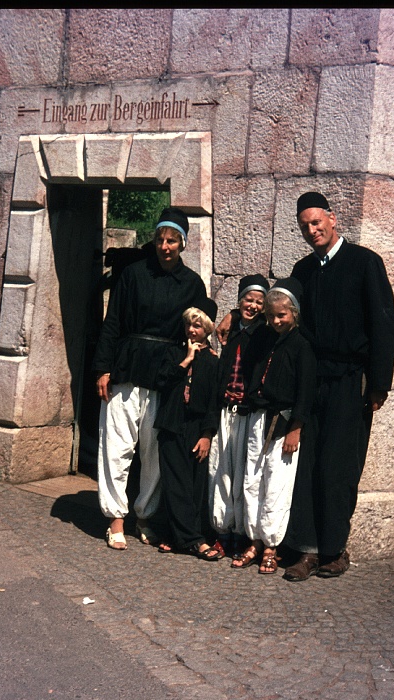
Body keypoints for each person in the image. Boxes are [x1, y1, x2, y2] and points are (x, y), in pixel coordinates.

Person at [281, 191, 394, 579]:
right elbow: (281, 309)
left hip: (351, 382)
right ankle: (307, 551)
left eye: (316, 222)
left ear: (332, 219)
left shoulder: (365, 263)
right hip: (314, 381)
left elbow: (384, 324)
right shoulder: (303, 270)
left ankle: (335, 549)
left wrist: (378, 384)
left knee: (339, 467)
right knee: (308, 465)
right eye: (305, 226)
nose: (312, 230)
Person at [93, 207, 208, 550]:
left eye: (172, 240)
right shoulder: (132, 275)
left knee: (154, 451)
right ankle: (115, 519)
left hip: (166, 374)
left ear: (183, 243)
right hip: (127, 368)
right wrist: (103, 368)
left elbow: (200, 327)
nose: (165, 246)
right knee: (117, 446)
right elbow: (112, 321)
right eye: (160, 239)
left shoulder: (192, 284)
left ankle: (144, 515)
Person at [231, 278, 317, 574]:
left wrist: (296, 426)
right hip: (258, 417)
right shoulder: (263, 337)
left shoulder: (302, 346)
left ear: (294, 313)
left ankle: (271, 544)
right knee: (252, 480)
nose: (276, 320)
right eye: (271, 315)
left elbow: (306, 390)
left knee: (276, 484)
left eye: (282, 315)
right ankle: (253, 540)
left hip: (283, 424)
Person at [154, 300, 223, 560]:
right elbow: (162, 381)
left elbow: (214, 402)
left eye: (197, 326)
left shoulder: (213, 361)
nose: (191, 330)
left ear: (206, 329)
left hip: (196, 427)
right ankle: (195, 541)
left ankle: (175, 536)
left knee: (194, 484)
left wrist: (207, 435)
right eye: (188, 325)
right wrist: (186, 360)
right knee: (175, 483)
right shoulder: (174, 353)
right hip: (172, 423)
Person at [208, 274, 270, 557]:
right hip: (225, 409)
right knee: (221, 472)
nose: (253, 305)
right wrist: (231, 316)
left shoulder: (266, 334)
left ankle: (243, 534)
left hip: (250, 412)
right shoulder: (230, 330)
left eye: (259, 301)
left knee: (248, 474)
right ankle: (222, 530)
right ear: (239, 300)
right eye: (248, 299)